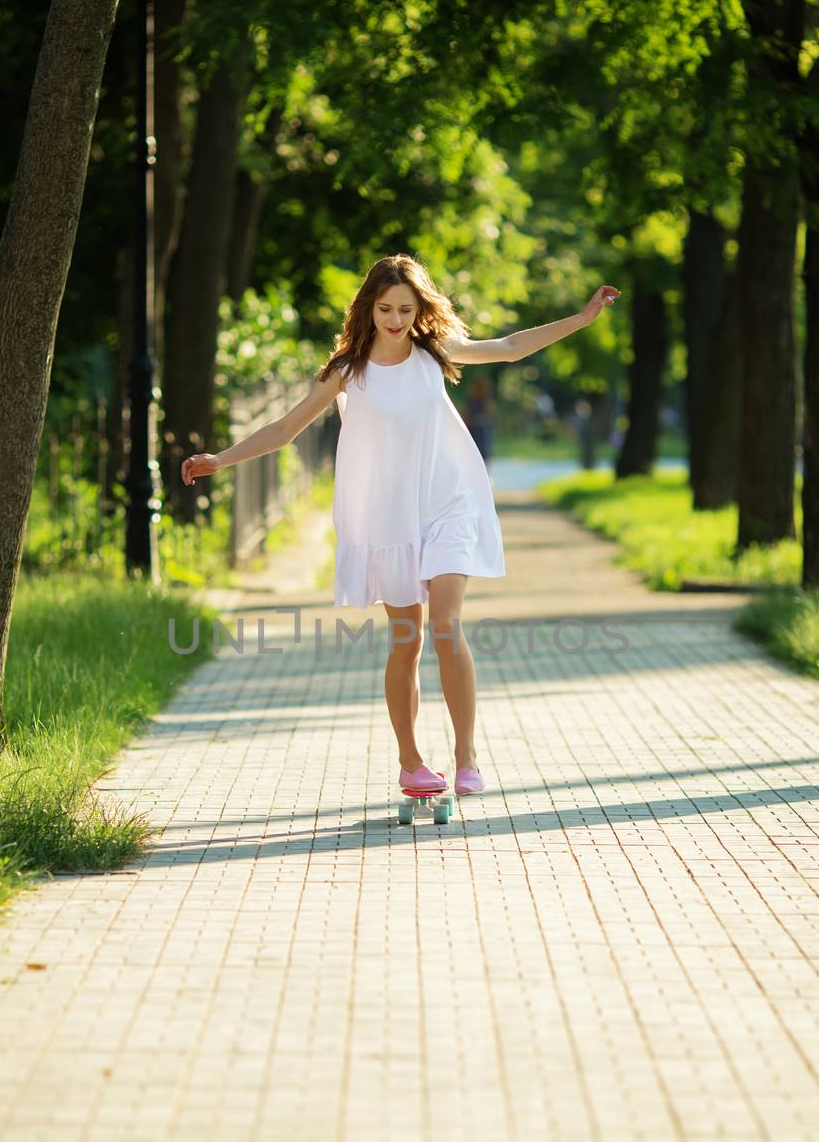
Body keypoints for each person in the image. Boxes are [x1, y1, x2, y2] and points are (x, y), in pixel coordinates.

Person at [182, 254, 619, 798]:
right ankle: (411, 762)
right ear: (369, 308)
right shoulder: (348, 371)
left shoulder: (436, 353)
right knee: (406, 640)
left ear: (419, 310)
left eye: (405, 309)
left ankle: (466, 756)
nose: (394, 319)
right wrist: (219, 460)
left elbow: (508, 348)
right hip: (389, 519)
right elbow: (286, 429)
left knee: (446, 625)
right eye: (385, 308)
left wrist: (581, 319)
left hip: (448, 503)